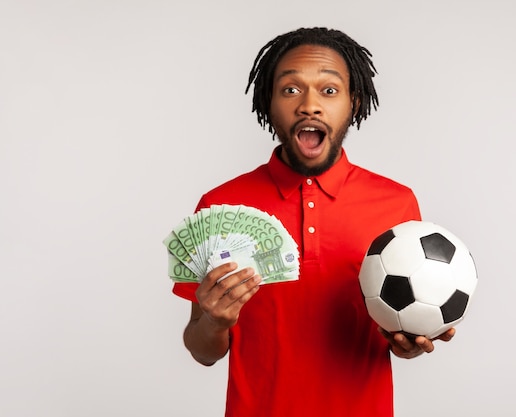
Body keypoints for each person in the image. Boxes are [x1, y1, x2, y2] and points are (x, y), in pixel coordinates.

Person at [173, 27, 455, 417]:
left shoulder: (397, 203)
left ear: (354, 103)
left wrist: (405, 344)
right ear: (268, 103)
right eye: (290, 90)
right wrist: (214, 323)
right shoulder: (218, 206)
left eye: (329, 90)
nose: (309, 105)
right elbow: (202, 352)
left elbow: (396, 336)